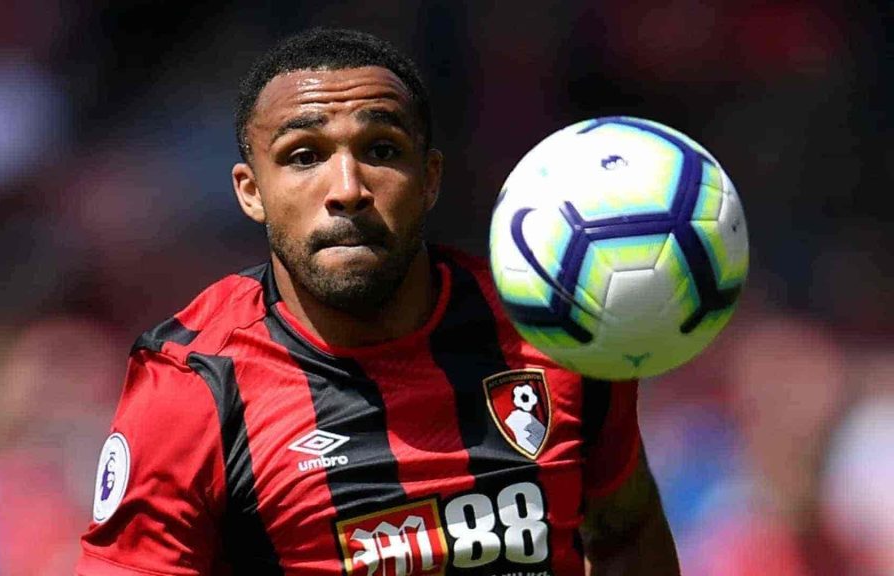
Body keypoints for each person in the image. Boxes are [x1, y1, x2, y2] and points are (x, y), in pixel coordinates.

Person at [76, 27, 679, 576]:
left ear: (431, 178)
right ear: (251, 191)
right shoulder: (194, 385)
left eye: (382, 150)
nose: (348, 189)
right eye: (304, 156)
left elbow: (627, 535)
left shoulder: (550, 330)